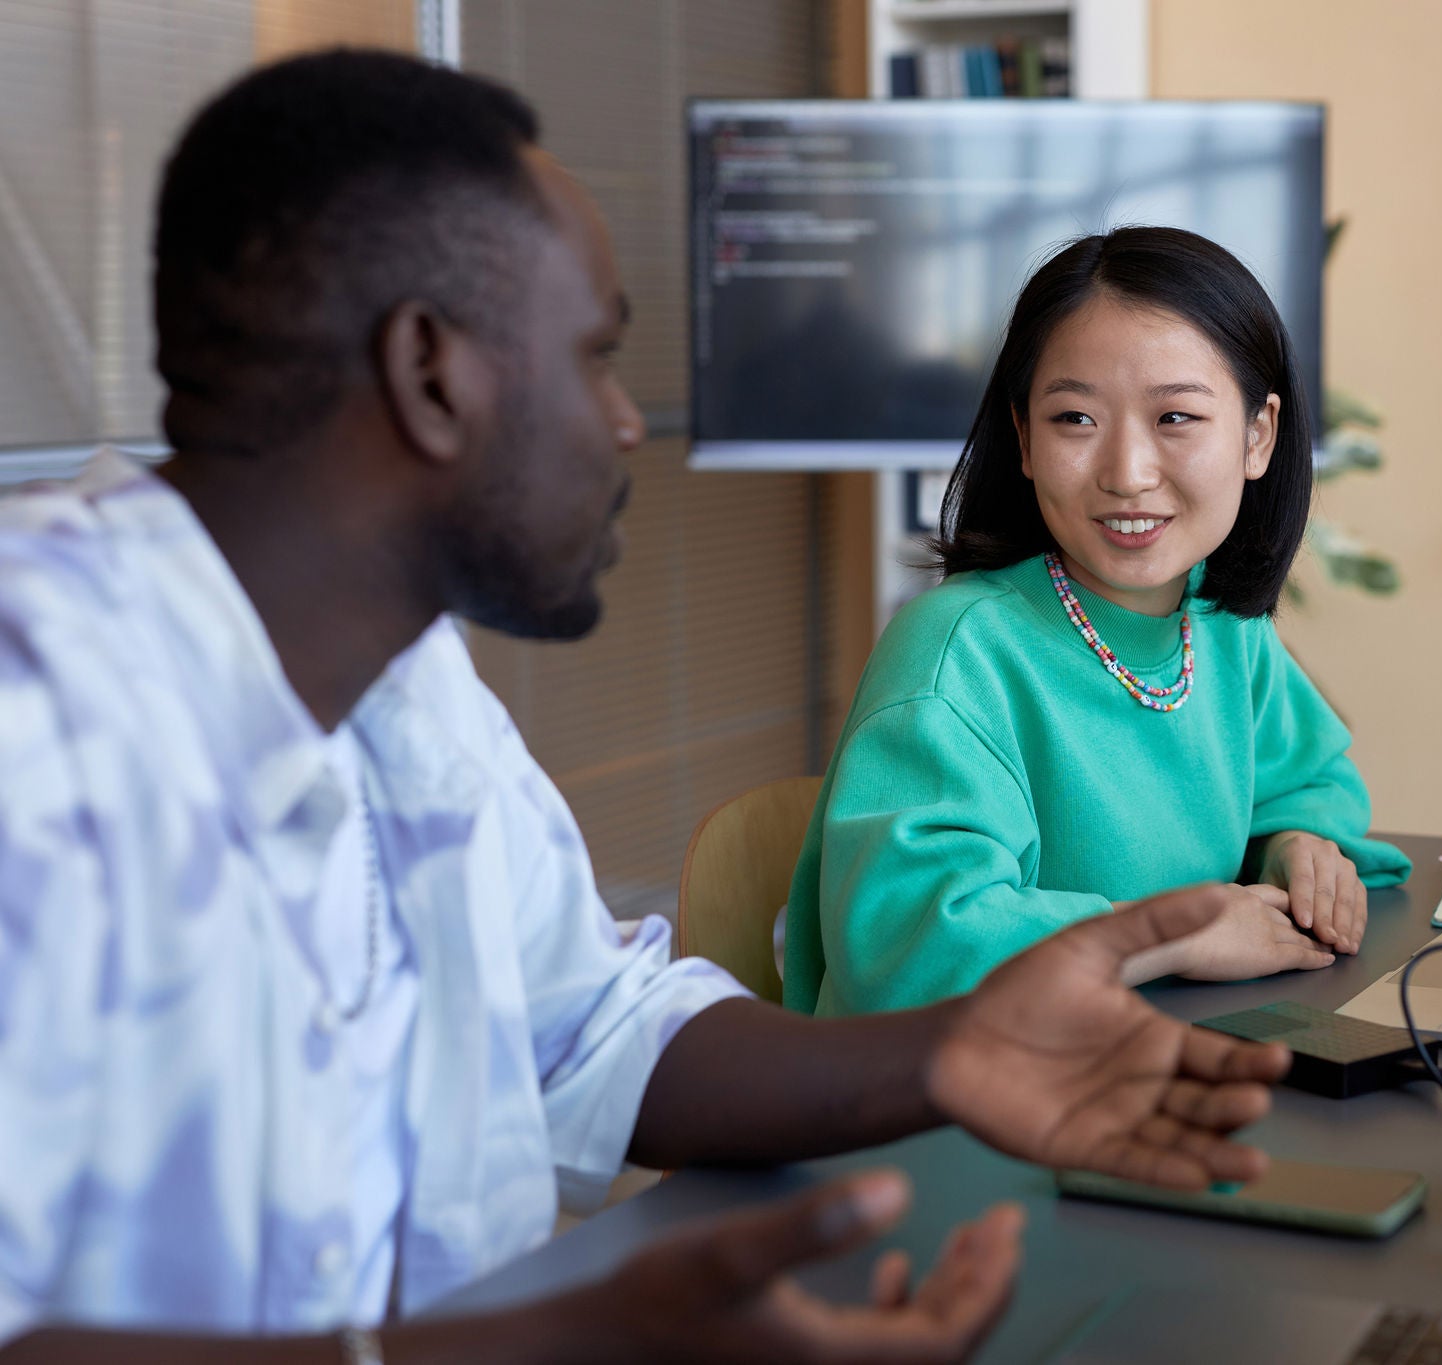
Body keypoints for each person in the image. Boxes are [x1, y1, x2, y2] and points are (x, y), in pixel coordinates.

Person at [0, 51, 1294, 1364]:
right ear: (432, 374)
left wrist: (960, 1051)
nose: (626, 423)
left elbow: (594, 1031)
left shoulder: (407, 687)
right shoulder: (34, 721)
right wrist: (573, 1345)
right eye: (595, 355)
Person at [782, 227, 1413, 1018]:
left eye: (1176, 418)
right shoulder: (957, 654)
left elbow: (1308, 780)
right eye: (1075, 419)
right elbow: (911, 941)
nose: (1126, 472)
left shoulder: (1217, 623)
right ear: (1023, 439)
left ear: (1258, 435)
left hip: (1137, 1064)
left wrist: (1297, 843)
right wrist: (1169, 935)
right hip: (942, 1106)